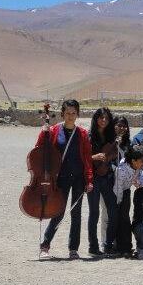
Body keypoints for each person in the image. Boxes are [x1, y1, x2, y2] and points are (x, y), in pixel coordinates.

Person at [38, 100, 94, 260]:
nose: (70, 116)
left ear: (77, 114)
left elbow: (87, 158)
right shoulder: (54, 130)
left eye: (73, 113)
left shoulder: (82, 133)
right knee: (58, 212)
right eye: (68, 113)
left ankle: (73, 249)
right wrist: (43, 132)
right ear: (62, 114)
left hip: (78, 178)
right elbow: (40, 148)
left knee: (76, 214)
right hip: (60, 178)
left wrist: (89, 179)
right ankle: (45, 245)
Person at [88, 107, 119, 256]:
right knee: (94, 213)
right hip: (93, 177)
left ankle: (108, 244)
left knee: (113, 211)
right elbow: (82, 158)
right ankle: (93, 247)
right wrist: (94, 157)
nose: (104, 120)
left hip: (107, 177)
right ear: (96, 119)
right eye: (101, 117)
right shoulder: (89, 136)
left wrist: (109, 156)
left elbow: (114, 153)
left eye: (106, 118)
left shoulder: (111, 136)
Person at [112, 144, 143, 255]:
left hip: (126, 190)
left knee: (125, 219)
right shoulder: (121, 170)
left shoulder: (138, 166)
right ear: (133, 161)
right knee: (117, 218)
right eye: (141, 161)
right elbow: (117, 189)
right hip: (115, 193)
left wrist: (139, 182)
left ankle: (127, 247)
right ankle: (117, 246)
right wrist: (118, 203)